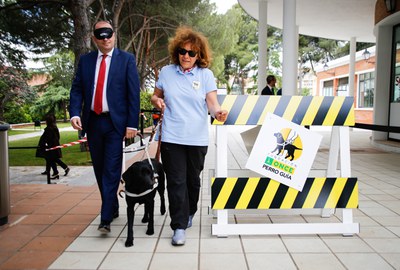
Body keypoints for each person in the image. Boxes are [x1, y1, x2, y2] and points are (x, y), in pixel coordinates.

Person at [151, 26, 228, 246]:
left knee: (192, 182)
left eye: (192, 53)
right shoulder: (166, 72)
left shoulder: (206, 75)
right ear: (177, 52)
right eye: (183, 52)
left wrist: (218, 113)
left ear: (199, 56)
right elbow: (155, 96)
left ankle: (190, 211)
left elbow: (212, 104)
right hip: (172, 136)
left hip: (197, 138)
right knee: (176, 182)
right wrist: (156, 101)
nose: (186, 56)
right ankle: (179, 226)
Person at [69, 20, 140, 234]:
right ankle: (112, 206)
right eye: (100, 35)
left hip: (115, 123)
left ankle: (105, 218)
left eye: (108, 34)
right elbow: (77, 89)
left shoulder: (126, 60)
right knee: (99, 169)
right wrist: (74, 113)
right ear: (94, 39)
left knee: (111, 169)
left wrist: (131, 124)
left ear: (114, 36)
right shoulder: (86, 61)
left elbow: (133, 94)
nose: (105, 38)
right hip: (93, 122)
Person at [36, 113, 70, 181]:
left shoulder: (49, 129)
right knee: (52, 159)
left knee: (52, 159)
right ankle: (58, 171)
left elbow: (46, 138)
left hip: (51, 147)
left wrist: (45, 145)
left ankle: (58, 171)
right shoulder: (54, 127)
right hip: (55, 146)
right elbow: (58, 137)